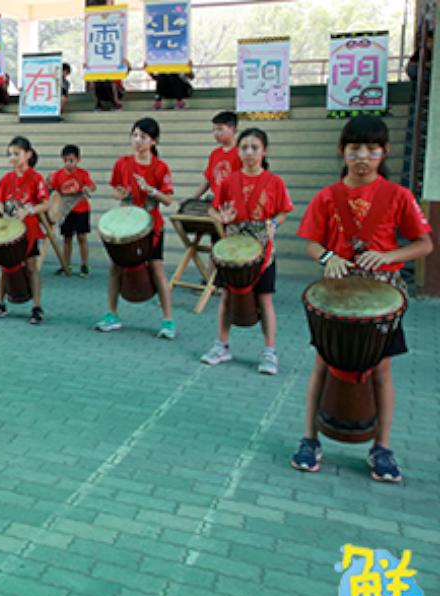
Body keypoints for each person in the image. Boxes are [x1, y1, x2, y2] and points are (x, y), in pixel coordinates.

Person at [290, 115, 433, 482]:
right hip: (337, 297)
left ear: (384, 152)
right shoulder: (328, 196)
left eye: (371, 149)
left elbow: (424, 244)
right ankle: (310, 439)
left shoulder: (398, 196)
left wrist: (388, 257)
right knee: (322, 364)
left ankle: (381, 447)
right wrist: (328, 257)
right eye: (355, 149)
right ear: (343, 151)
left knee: (382, 371)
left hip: (382, 298)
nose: (363, 156)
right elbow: (311, 243)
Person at [200, 128, 294, 375]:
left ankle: (269, 352)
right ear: (238, 151)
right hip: (232, 250)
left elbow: (283, 211)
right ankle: (221, 345)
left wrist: (274, 223)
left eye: (255, 147)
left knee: (265, 300)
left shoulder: (275, 182)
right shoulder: (229, 180)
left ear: (265, 151)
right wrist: (221, 216)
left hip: (262, 251)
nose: (249, 153)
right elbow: (212, 209)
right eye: (244, 148)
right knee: (226, 297)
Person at [96, 117, 176, 338]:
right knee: (115, 268)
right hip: (125, 226)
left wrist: (151, 191)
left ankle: (168, 320)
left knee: (157, 269)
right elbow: (115, 189)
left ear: (154, 141)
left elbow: (168, 200)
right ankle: (112, 315)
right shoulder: (123, 163)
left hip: (152, 227)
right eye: (134, 135)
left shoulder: (160, 167)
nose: (138, 140)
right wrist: (120, 194)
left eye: (143, 136)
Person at [0, 136, 48, 324]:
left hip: (28, 232)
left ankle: (37, 307)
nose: (12, 158)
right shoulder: (7, 179)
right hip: (8, 232)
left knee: (31, 268)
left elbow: (45, 204)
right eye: (9, 154)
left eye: (16, 154)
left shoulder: (36, 178)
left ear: (28, 154)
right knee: (4, 267)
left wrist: (29, 210)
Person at [48, 144, 96, 277]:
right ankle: (66, 265)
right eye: (66, 161)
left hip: (81, 209)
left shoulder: (83, 173)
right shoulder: (57, 175)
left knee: (82, 237)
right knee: (67, 238)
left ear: (78, 159)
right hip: (66, 211)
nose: (68, 164)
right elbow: (52, 190)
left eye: (71, 160)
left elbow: (92, 186)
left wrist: (88, 189)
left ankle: (84, 265)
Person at [186, 111, 241, 204]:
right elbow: (207, 180)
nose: (216, 133)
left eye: (220, 129)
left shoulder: (242, 153)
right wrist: (193, 198)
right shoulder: (215, 153)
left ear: (233, 129)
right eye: (214, 130)